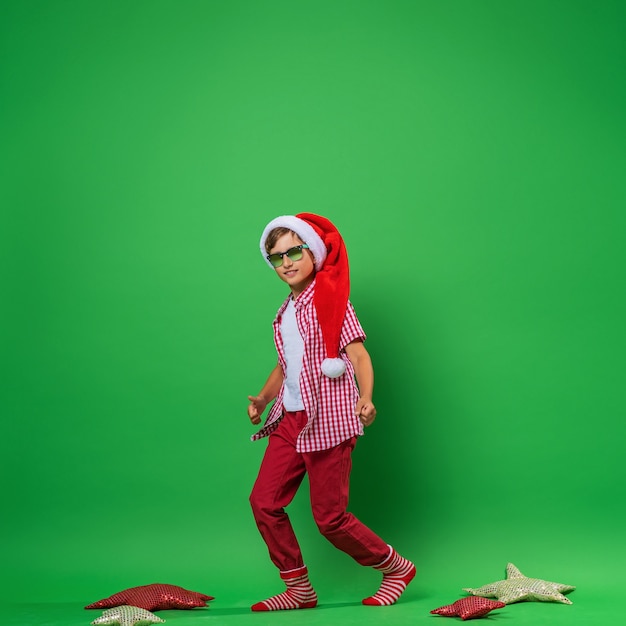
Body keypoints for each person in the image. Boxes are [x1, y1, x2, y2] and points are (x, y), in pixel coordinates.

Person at [247, 213, 415, 611]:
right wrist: (263, 398)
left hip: (329, 420)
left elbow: (357, 353)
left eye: (294, 252)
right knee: (264, 502)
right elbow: (287, 362)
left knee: (330, 519)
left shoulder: (331, 298)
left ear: (314, 253)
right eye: (276, 257)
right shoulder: (287, 309)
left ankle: (396, 568)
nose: (286, 262)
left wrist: (366, 397)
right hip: (291, 420)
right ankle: (299, 589)